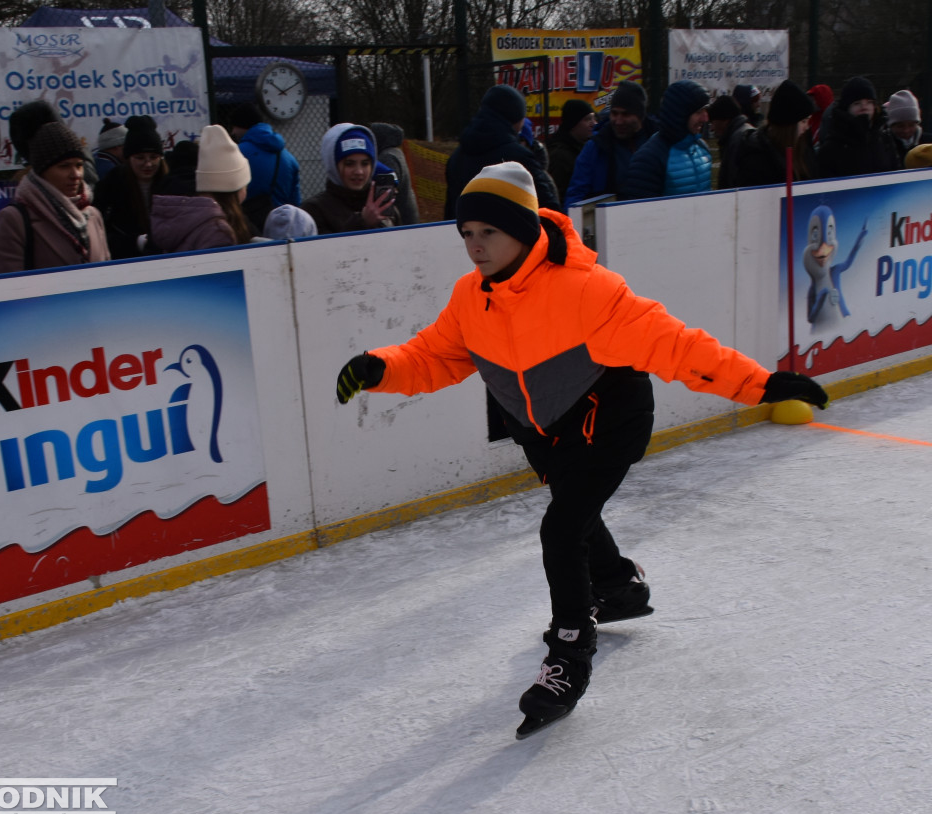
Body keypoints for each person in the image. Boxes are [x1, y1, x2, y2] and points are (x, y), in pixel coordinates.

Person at [334, 161, 828, 735]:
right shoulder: (472, 298)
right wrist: (379, 367)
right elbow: (433, 356)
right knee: (576, 512)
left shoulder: (586, 290)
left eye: (488, 232)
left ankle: (568, 656)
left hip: (607, 420)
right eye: (467, 234)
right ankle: (617, 586)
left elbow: (676, 346)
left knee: (562, 528)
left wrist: (761, 385)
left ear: (522, 228)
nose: (475, 247)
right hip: (543, 433)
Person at [0, 122, 109, 273]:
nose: (76, 175)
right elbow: (9, 286)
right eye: (64, 166)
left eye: (79, 165)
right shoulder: (15, 219)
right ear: (43, 172)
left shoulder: (93, 215)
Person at [444, 84, 560, 218]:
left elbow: (451, 212)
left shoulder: (456, 158)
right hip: (513, 235)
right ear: (515, 118)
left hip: (467, 235)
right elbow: (550, 210)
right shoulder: (519, 156)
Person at [148, 125, 253, 253]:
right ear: (235, 189)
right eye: (245, 185)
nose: (246, 190)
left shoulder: (194, 218)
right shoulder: (218, 232)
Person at [564, 81, 655, 206]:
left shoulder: (658, 141)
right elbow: (576, 195)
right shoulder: (596, 147)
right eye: (614, 113)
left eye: (625, 114)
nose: (618, 121)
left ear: (640, 116)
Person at [93, 115, 171, 259]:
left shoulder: (170, 184)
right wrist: (136, 242)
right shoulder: (112, 185)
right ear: (129, 158)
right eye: (140, 157)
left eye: (153, 157)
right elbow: (99, 233)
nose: (148, 164)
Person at [300, 123, 400, 234]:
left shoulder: (383, 207)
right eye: (349, 164)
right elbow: (326, 249)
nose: (359, 171)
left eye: (365, 163)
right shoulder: (314, 210)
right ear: (333, 165)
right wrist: (362, 222)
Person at [624, 80, 712, 200]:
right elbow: (640, 213)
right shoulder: (649, 159)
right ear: (680, 114)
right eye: (698, 112)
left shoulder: (702, 148)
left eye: (705, 110)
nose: (705, 118)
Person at [230, 103, 302, 231]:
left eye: (234, 126)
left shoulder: (237, 154)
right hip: (284, 230)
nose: (233, 132)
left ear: (243, 125)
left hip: (250, 228)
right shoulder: (289, 159)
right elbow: (295, 203)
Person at [732, 80, 816, 188]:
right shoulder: (756, 158)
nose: (807, 127)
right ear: (788, 126)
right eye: (803, 121)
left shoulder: (804, 149)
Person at [816, 76, 899, 179]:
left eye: (869, 102)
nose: (864, 107)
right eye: (857, 103)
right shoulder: (832, 146)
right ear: (846, 108)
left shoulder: (884, 139)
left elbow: (895, 175)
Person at [546, 99, 596, 204]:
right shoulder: (559, 155)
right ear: (573, 124)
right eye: (587, 119)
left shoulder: (586, 147)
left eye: (593, 118)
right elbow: (557, 195)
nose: (594, 123)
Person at [371, 122, 421, 225]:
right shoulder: (396, 153)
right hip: (407, 218)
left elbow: (384, 195)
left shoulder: (387, 158)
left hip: (400, 222)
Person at [706, 95, 750, 189]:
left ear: (725, 121)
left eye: (713, 122)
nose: (712, 128)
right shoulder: (745, 135)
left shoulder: (737, 142)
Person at [883, 90, 932, 164]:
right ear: (891, 125)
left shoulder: (929, 143)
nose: (906, 130)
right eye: (900, 126)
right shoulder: (882, 146)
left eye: (911, 125)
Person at [807, 84, 834, 148]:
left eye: (814, 99)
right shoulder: (811, 120)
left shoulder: (831, 122)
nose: (811, 103)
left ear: (821, 99)